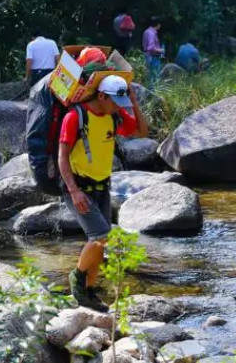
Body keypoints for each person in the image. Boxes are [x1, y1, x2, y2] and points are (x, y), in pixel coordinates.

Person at [59, 75, 148, 311]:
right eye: (115, 101)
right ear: (101, 95)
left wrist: (133, 102)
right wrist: (74, 191)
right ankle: (77, 278)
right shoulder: (74, 117)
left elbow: (141, 132)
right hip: (78, 187)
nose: (118, 106)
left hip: (102, 186)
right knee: (100, 236)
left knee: (99, 241)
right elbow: (62, 157)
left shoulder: (114, 116)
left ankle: (87, 293)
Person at [142, 17, 164, 88]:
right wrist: (161, 50)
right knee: (154, 78)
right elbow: (150, 48)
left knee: (148, 77)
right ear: (158, 25)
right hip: (153, 58)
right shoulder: (152, 33)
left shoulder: (146, 31)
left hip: (147, 56)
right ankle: (152, 95)